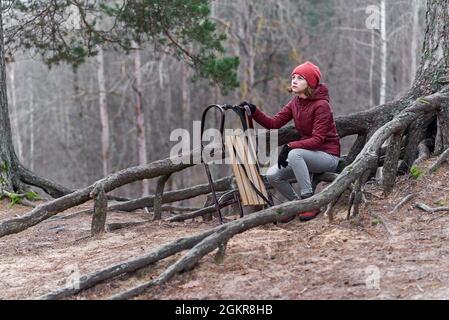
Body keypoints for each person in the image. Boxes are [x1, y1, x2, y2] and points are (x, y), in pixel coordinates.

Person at [240, 61, 340, 222]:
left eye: (300, 78)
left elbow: (318, 140)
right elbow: (274, 123)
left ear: (310, 83)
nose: (294, 81)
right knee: (273, 175)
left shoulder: (322, 106)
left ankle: (310, 203)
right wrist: (254, 111)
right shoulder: (295, 102)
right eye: (293, 77)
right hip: (305, 155)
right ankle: (294, 205)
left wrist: (290, 146)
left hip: (327, 156)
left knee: (294, 154)